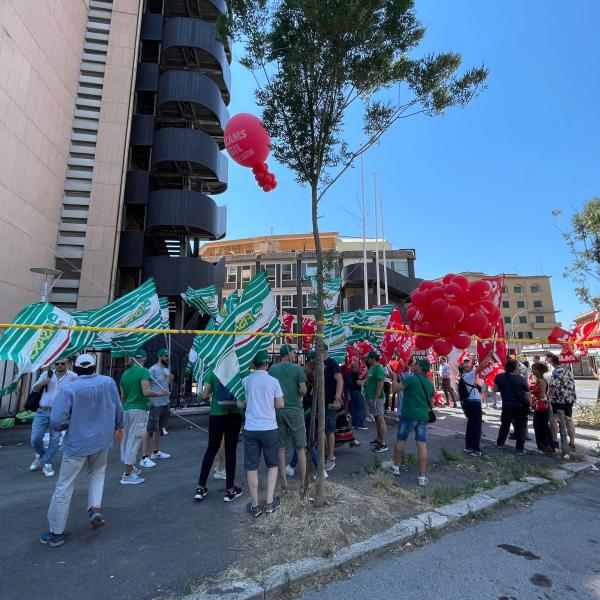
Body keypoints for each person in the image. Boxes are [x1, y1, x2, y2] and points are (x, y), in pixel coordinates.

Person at [40, 354, 123, 548]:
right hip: (102, 439)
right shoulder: (108, 382)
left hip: (77, 442)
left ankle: (56, 532)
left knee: (65, 485)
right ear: (94, 367)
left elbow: (56, 420)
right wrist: (119, 425)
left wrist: (64, 426)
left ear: (75, 370)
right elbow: (118, 407)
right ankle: (95, 507)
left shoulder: (71, 388)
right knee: (97, 474)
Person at [239, 350, 284, 517]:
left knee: (252, 466)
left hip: (251, 428)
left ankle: (255, 505)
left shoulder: (246, 381)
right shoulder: (273, 381)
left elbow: (239, 403)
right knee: (272, 465)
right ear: (267, 364)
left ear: (254, 365)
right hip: (269, 428)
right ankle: (270, 503)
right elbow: (280, 404)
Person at [194, 370, 244, 503]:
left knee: (211, 449)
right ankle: (230, 490)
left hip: (217, 413)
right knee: (231, 450)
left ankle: (200, 487)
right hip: (235, 413)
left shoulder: (214, 371)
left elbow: (205, 395)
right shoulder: (240, 371)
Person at [119, 349, 164, 485]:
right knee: (134, 441)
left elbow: (122, 396)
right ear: (144, 359)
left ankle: (130, 468)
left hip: (127, 409)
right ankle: (127, 474)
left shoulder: (125, 374)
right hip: (139, 410)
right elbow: (146, 392)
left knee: (127, 441)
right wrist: (162, 394)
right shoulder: (144, 371)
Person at [388, 358, 435, 486]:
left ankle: (396, 467)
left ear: (420, 367)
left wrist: (393, 378)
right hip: (423, 417)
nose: (413, 365)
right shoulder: (430, 384)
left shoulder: (412, 379)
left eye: (416, 364)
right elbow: (432, 404)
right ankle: (422, 477)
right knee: (422, 445)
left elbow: (395, 389)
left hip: (408, 415)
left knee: (401, 440)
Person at [29, 359, 78, 477]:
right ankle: (41, 454)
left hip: (60, 412)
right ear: (54, 364)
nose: (60, 365)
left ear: (68, 364)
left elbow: (78, 391)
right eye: (57, 363)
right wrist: (42, 383)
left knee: (55, 439)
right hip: (43, 410)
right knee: (35, 438)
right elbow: (34, 389)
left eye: (63, 363)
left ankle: (47, 462)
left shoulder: (73, 377)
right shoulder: (46, 374)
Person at [269, 344, 307, 488]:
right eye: (293, 352)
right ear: (288, 354)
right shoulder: (297, 369)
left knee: (281, 448)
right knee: (300, 447)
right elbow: (303, 390)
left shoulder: (272, 369)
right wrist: (300, 392)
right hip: (295, 410)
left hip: (278, 411)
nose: (295, 355)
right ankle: (304, 482)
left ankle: (284, 483)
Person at [140, 349, 173, 467]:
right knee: (149, 430)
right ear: (159, 356)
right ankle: (144, 456)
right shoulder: (152, 370)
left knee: (159, 428)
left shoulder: (166, 370)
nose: (167, 358)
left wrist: (169, 379)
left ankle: (156, 451)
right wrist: (150, 401)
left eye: (167, 356)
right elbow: (147, 386)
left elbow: (165, 384)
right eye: (165, 356)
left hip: (165, 402)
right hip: (156, 403)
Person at [493, 359, 531, 454]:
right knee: (520, 427)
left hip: (506, 406)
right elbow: (527, 394)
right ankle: (520, 449)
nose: (519, 368)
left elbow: (495, 389)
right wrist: (529, 406)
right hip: (519, 406)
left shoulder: (499, 376)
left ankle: (500, 443)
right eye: (518, 366)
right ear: (515, 368)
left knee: (505, 425)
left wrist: (505, 389)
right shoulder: (521, 379)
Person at [458, 353, 493, 456]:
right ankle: (475, 449)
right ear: (463, 369)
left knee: (471, 426)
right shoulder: (468, 376)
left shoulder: (465, 377)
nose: (468, 365)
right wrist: (488, 356)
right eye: (466, 365)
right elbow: (481, 367)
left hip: (470, 403)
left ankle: (468, 447)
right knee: (476, 427)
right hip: (474, 404)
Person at [548, 354, 577, 452]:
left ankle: (555, 441)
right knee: (569, 419)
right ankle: (572, 443)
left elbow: (553, 387)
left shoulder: (556, 372)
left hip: (559, 400)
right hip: (570, 399)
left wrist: (548, 397)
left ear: (552, 363)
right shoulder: (568, 371)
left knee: (553, 419)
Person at [323, 344, 344, 469]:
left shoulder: (331, 363)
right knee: (322, 430)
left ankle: (331, 456)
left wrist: (337, 398)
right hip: (320, 403)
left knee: (329, 430)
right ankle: (325, 453)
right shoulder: (318, 364)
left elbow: (340, 380)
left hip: (330, 403)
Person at [364, 351, 387, 453]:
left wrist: (376, 399)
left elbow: (380, 385)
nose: (367, 359)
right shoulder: (372, 368)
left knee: (380, 419)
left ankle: (383, 444)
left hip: (376, 399)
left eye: (369, 358)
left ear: (373, 358)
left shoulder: (378, 369)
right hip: (372, 397)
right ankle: (379, 439)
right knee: (377, 419)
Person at [530, 362, 553, 453]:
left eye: (534, 368)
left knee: (541, 426)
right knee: (540, 426)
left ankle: (545, 445)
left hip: (542, 407)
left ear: (538, 370)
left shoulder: (541, 381)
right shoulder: (539, 380)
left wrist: (532, 391)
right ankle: (544, 445)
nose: (532, 371)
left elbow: (541, 394)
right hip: (541, 407)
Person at [347, 360, 367, 430]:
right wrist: (365, 381)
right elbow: (358, 383)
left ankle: (354, 423)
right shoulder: (354, 374)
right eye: (357, 366)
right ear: (354, 367)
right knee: (360, 408)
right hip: (357, 392)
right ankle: (359, 424)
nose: (358, 367)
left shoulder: (349, 374)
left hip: (352, 392)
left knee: (354, 409)